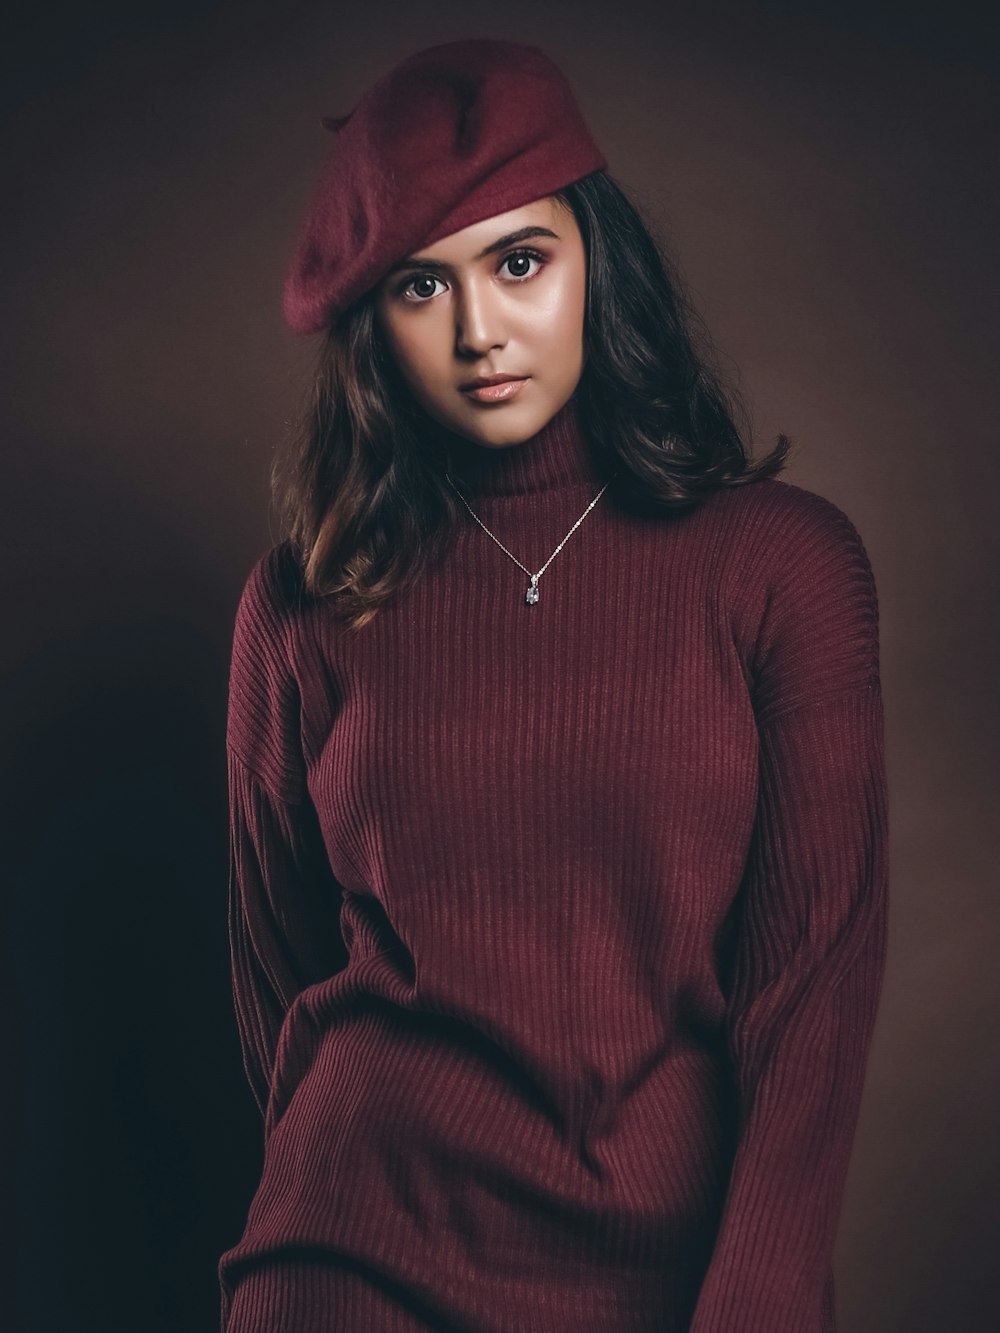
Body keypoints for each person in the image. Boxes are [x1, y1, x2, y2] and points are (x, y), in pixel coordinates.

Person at [218, 37, 889, 1333]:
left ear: (599, 262)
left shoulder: (783, 568)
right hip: (348, 1256)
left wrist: (759, 1293)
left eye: (520, 263)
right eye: (423, 286)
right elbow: (279, 981)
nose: (480, 331)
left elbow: (814, 983)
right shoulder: (303, 603)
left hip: (673, 1269)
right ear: (373, 325)